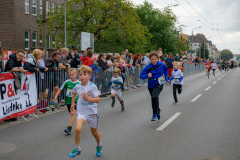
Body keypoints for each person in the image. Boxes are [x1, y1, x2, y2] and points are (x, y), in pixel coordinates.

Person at [68, 65, 102, 157]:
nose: (82, 76)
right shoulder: (78, 86)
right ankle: (77, 148)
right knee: (77, 129)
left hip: (92, 113)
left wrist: (88, 99)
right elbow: (75, 92)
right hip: (82, 112)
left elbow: (98, 100)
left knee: (94, 133)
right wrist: (72, 104)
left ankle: (99, 145)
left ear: (90, 76)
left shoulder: (92, 87)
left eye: (85, 74)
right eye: (80, 74)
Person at [140, 51, 169, 121]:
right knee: (154, 99)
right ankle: (158, 110)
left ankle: (154, 114)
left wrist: (166, 78)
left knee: (154, 96)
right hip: (151, 84)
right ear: (150, 59)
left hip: (159, 83)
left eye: (155, 59)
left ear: (158, 58)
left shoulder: (161, 64)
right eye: (152, 59)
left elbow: (166, 71)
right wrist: (147, 75)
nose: (153, 61)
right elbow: (141, 76)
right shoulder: (148, 67)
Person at [54, 68, 80, 135]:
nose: (71, 77)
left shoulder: (79, 83)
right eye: (70, 75)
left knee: (72, 112)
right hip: (68, 101)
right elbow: (60, 89)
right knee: (71, 113)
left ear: (76, 75)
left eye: (73, 75)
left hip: (76, 101)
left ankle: (69, 128)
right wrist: (56, 95)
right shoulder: (67, 82)